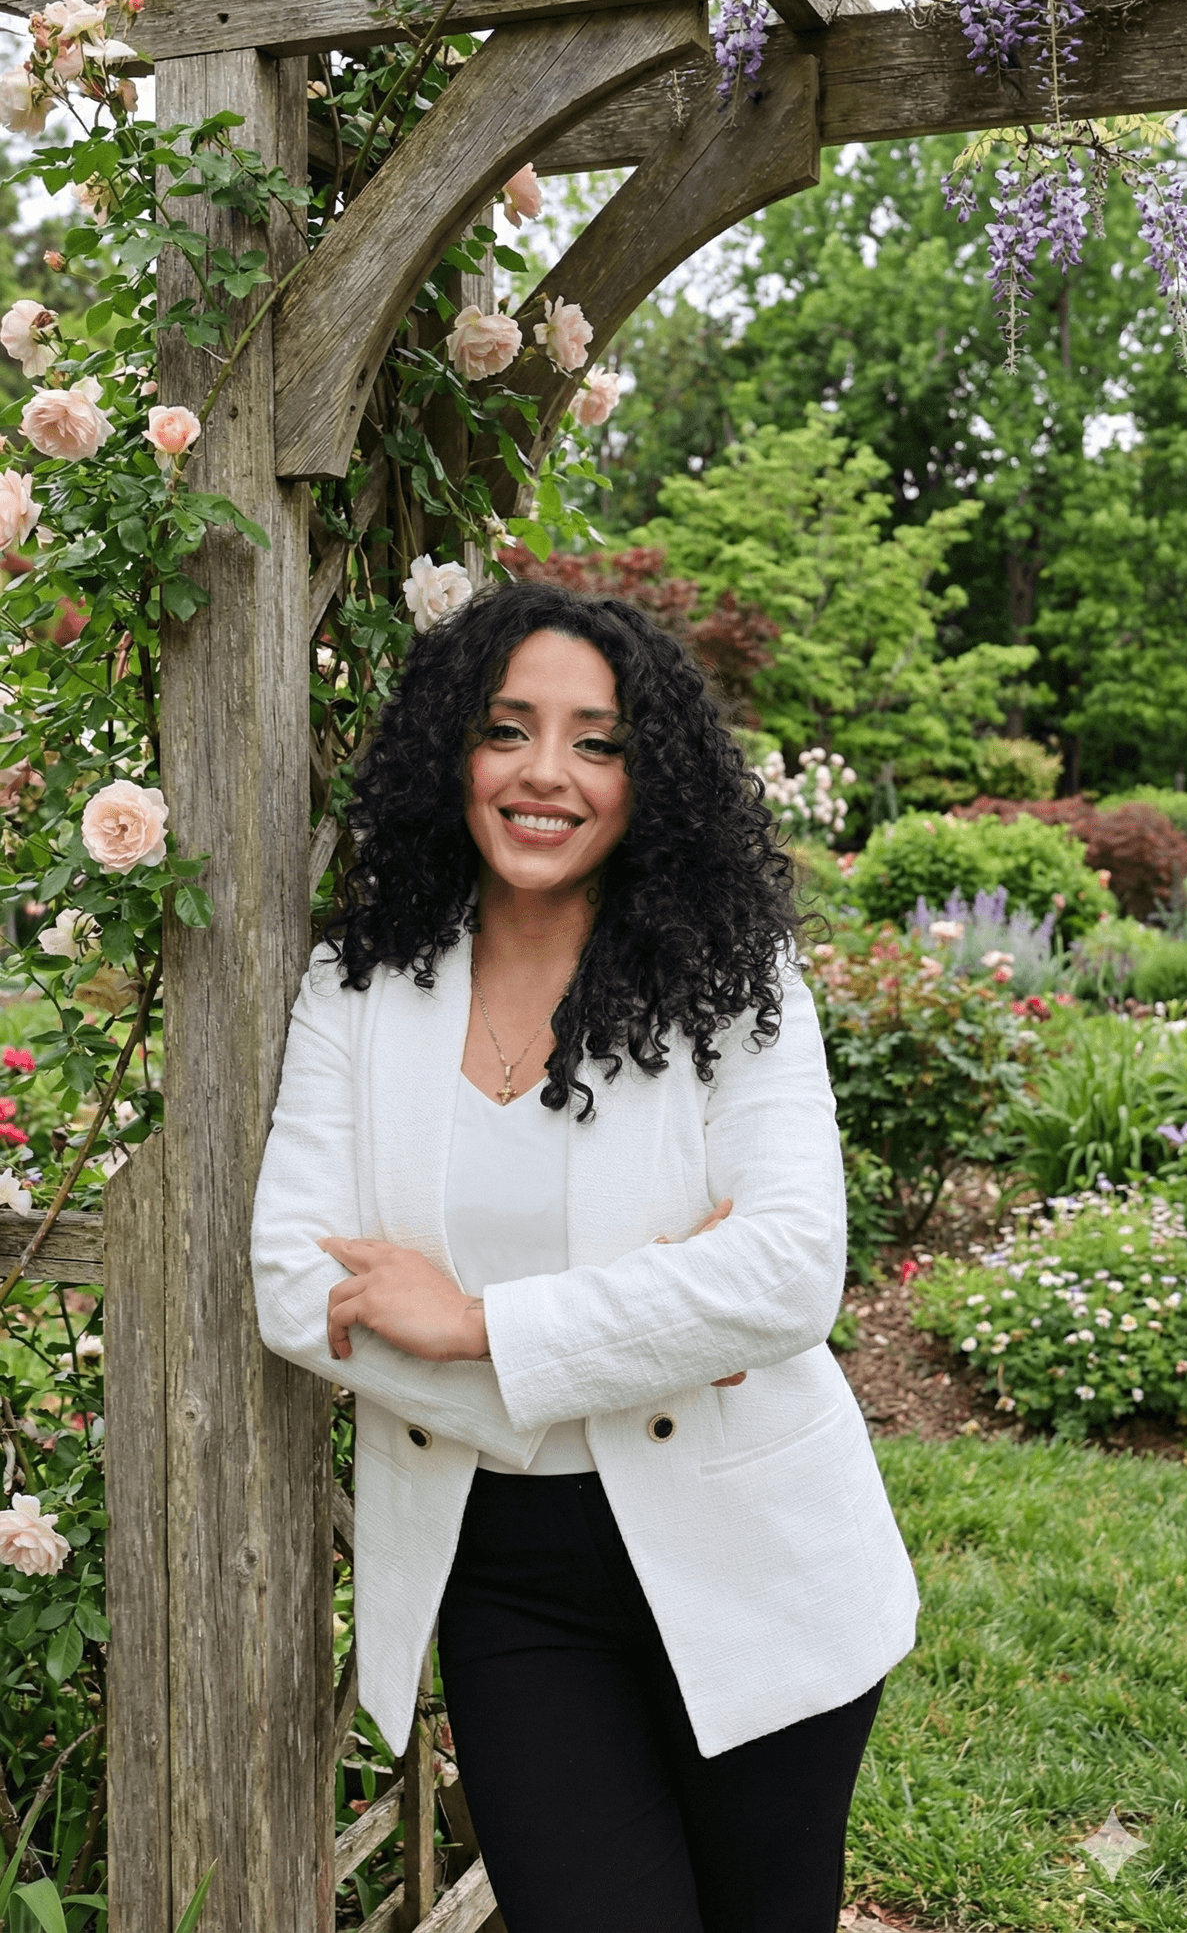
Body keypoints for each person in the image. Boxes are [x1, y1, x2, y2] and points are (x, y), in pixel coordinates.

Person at [251, 577, 918, 1933]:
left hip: (762, 1562)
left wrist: (475, 1322)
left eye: (597, 741)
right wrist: (666, 1315)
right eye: (509, 729)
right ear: (456, 751)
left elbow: (789, 1271)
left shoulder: (735, 978)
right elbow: (291, 1285)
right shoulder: (361, 985)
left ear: (645, 773)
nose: (546, 773)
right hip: (508, 1577)